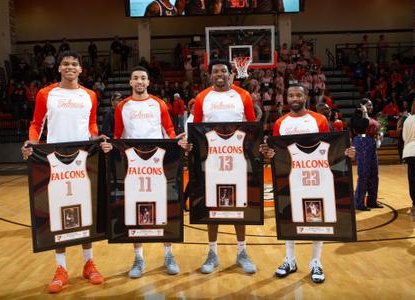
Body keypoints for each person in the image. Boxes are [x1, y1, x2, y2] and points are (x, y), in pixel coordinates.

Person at [21, 51, 104, 293]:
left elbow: (91, 123)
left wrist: (95, 136)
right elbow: (36, 124)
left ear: (81, 70)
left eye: (74, 64)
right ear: (59, 68)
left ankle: (89, 263)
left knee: (85, 210)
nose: (70, 67)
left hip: (83, 159)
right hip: (54, 160)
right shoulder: (46, 94)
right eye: (65, 64)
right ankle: (61, 268)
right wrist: (31, 142)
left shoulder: (90, 95)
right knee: (59, 213)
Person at [100, 66, 191, 279]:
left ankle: (168, 254)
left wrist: (176, 141)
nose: (139, 81)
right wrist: (110, 147)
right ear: (130, 83)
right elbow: (117, 135)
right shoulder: (122, 106)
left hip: (157, 164)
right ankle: (138, 257)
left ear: (148, 82)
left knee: (162, 208)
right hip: (133, 166)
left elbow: (168, 130)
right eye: (135, 78)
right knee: (135, 210)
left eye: (143, 78)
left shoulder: (159, 103)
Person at [260, 83, 355, 284]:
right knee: (288, 216)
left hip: (316, 175)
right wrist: (269, 154)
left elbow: (329, 148)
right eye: (291, 95)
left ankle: (315, 261)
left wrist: (346, 153)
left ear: (305, 98)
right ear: (286, 98)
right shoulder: (280, 123)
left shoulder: (319, 120)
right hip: (292, 175)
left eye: (298, 95)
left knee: (316, 218)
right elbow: (279, 152)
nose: (294, 99)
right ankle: (290, 259)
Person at [192, 59, 257, 274]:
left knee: (238, 206)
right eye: (215, 71)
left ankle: (242, 252)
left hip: (237, 158)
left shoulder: (243, 96)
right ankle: (212, 253)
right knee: (213, 206)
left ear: (231, 74)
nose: (220, 74)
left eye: (224, 71)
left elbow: (251, 127)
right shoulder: (202, 97)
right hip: (212, 159)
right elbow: (198, 129)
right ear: (210, 76)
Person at [350, 99, 383, 211]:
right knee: (364, 173)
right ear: (361, 106)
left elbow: (377, 128)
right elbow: (364, 125)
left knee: (374, 174)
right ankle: (359, 202)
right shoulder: (357, 117)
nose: (371, 107)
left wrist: (379, 135)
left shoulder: (370, 117)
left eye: (372, 105)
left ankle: (372, 201)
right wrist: (364, 112)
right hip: (362, 141)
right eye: (368, 105)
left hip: (371, 143)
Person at [402, 101, 415, 215]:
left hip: (410, 151)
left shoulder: (408, 120)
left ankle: (414, 204)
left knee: (412, 179)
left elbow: (404, 137)